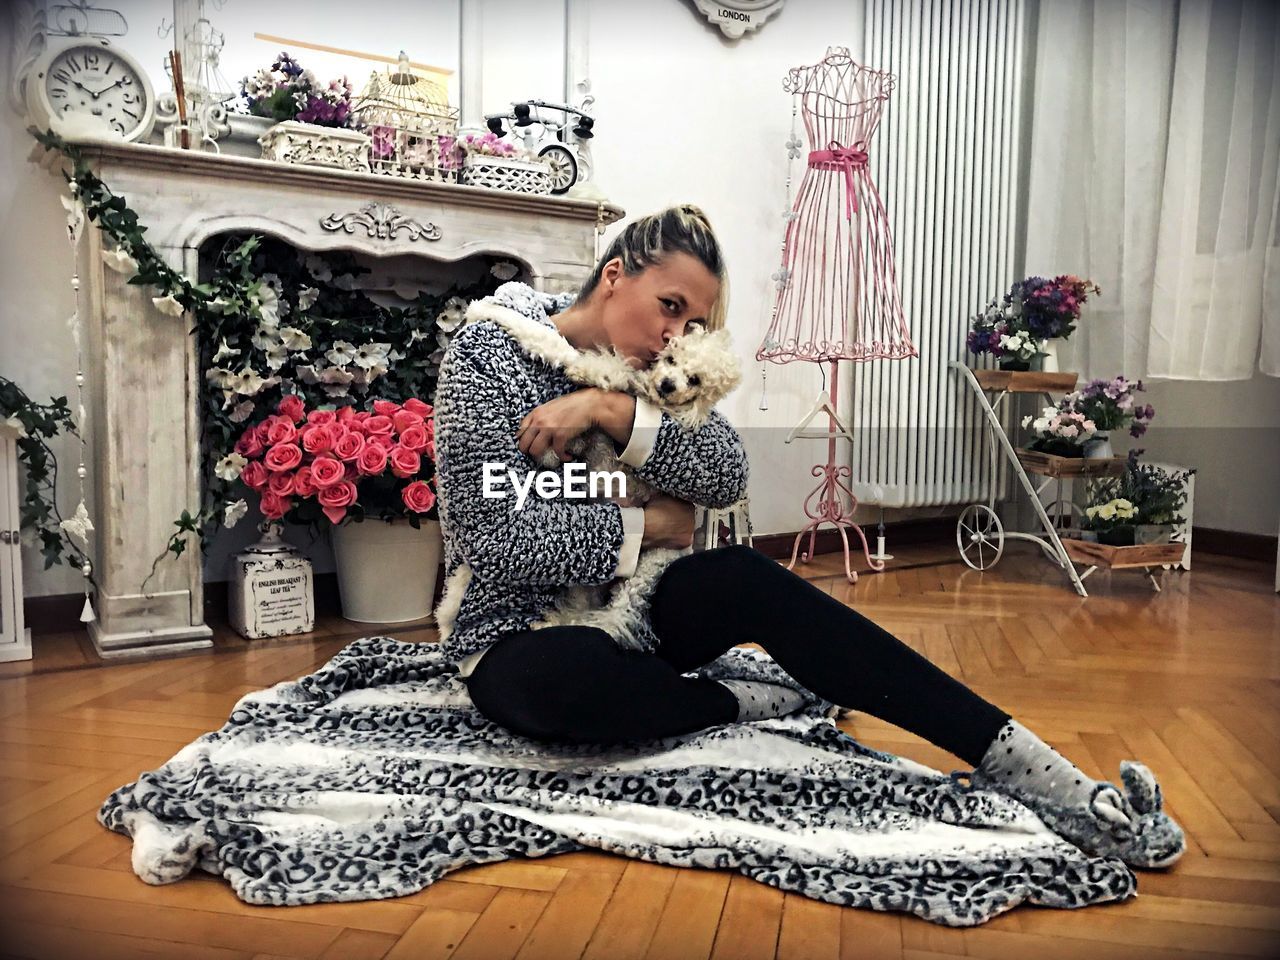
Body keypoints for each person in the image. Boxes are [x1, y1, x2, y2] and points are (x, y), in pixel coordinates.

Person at [431, 204, 1185, 870]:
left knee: (745, 577)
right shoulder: (491, 354)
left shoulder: (649, 374)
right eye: (668, 306)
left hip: (638, 608)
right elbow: (496, 534)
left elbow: (724, 472)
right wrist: (647, 526)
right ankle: (739, 702)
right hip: (516, 628)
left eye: (693, 322)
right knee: (562, 688)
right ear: (615, 275)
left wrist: (614, 413)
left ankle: (1032, 768)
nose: (675, 334)